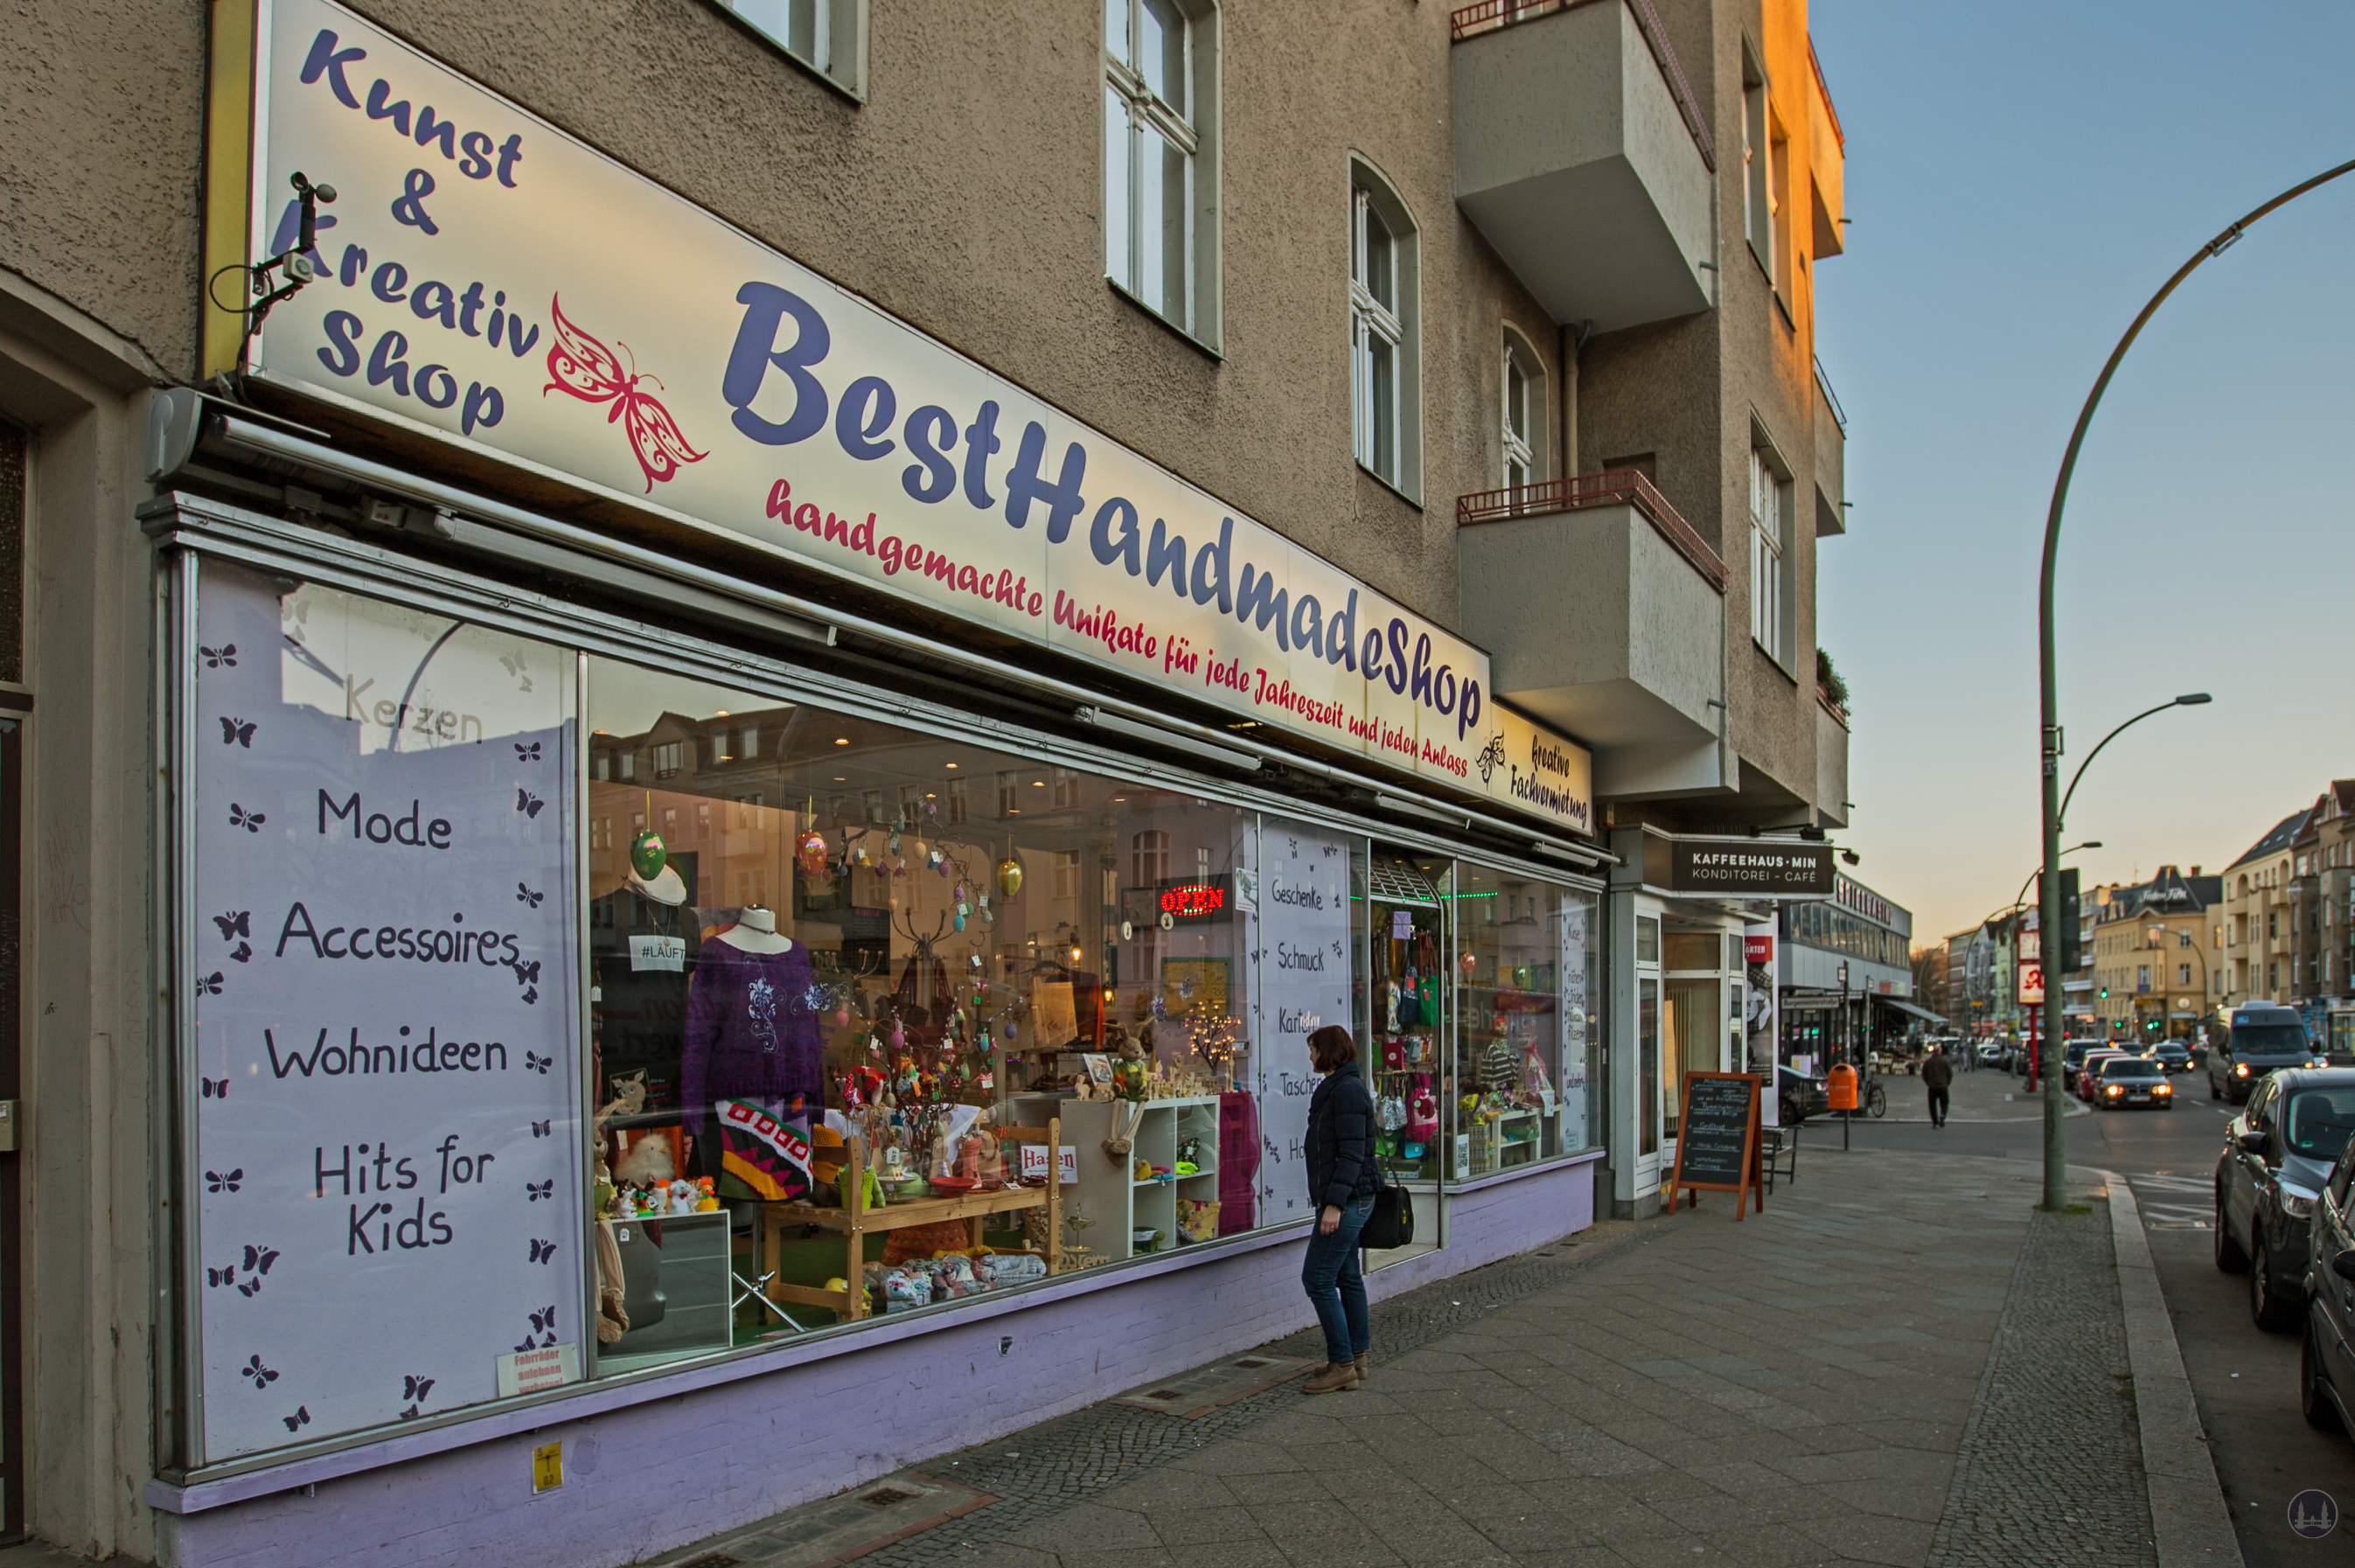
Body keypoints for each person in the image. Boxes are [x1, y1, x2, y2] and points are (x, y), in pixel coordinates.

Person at [1299, 1023, 1377, 1394]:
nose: (1311, 1056)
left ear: (1328, 1052)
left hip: (1346, 1201)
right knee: (1347, 1277)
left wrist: (1333, 1205)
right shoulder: (1340, 1087)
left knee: (1317, 1278)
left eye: (1314, 1049)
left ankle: (1342, 1364)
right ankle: (1355, 1358)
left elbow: (1351, 1155)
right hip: (1347, 1198)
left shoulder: (1346, 1091)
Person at [1922, 1043, 1954, 1128]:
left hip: (1932, 1086)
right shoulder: (1945, 1061)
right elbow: (1950, 1074)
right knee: (1944, 1103)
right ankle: (1943, 1115)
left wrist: (1928, 1082)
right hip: (1943, 1086)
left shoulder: (1928, 1062)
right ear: (1940, 1051)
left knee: (1932, 1105)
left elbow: (1924, 1074)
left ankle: (1935, 1122)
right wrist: (1947, 1083)